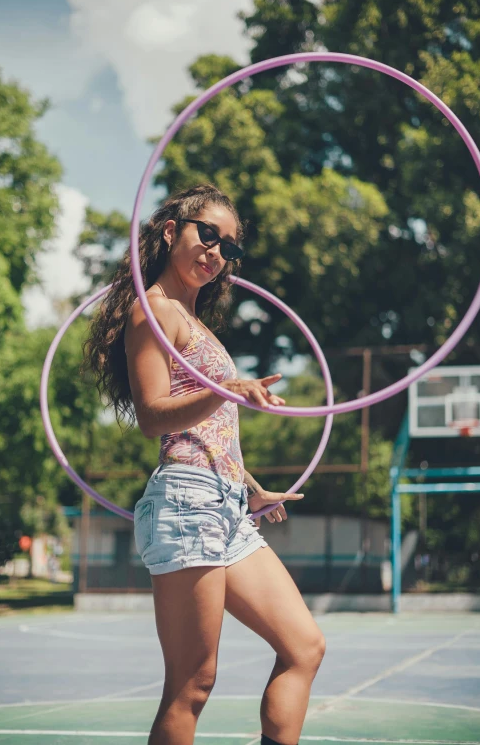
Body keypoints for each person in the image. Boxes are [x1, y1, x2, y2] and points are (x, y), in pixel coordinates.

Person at [83, 184, 326, 745]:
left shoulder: (197, 323)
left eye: (229, 248)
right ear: (172, 231)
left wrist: (253, 487)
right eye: (207, 234)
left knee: (304, 647)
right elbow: (153, 418)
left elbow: (205, 431)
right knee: (193, 683)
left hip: (227, 504)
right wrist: (227, 389)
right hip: (187, 502)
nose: (216, 252)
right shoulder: (155, 313)